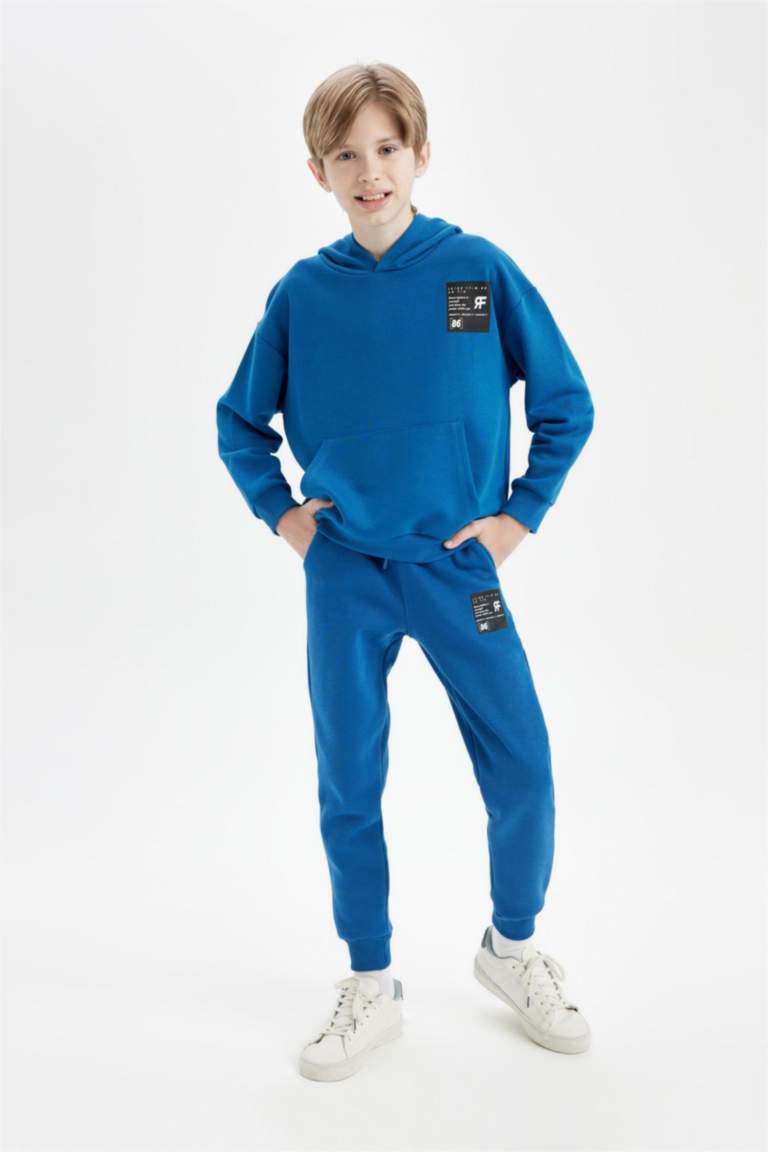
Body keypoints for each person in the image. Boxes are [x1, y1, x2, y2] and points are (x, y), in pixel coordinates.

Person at [216, 61, 595, 1083]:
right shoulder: (304, 294)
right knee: (350, 774)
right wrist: (286, 518)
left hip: (458, 570)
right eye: (346, 154)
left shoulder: (474, 273)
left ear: (421, 155)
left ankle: (512, 947)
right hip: (344, 573)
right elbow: (239, 421)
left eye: (387, 148)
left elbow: (566, 403)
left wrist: (515, 521)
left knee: (522, 760)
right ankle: (370, 979)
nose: (369, 171)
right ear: (318, 172)